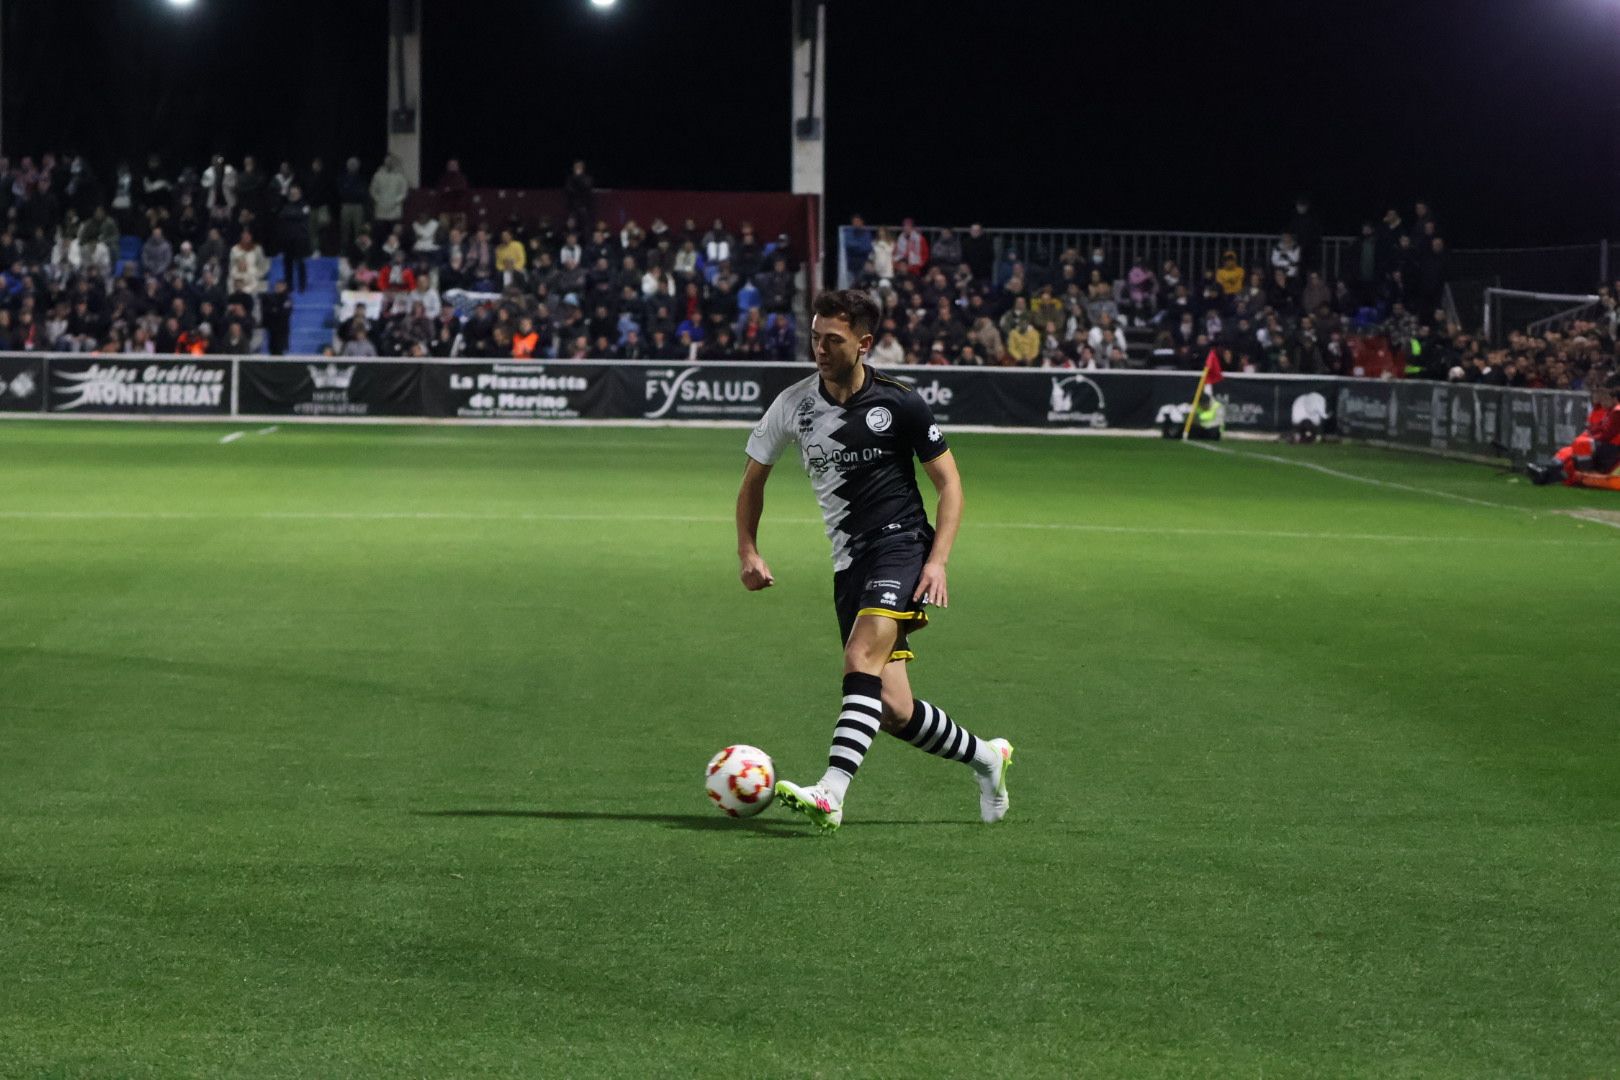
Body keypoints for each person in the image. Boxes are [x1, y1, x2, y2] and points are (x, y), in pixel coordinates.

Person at [735, 288, 1013, 832]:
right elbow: (751, 484)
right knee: (894, 711)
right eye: (814, 337)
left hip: (902, 544)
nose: (819, 349)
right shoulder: (792, 404)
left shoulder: (900, 402)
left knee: (861, 655)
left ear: (863, 343)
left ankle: (831, 793)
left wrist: (938, 561)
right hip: (849, 563)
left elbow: (950, 484)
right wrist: (748, 549)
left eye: (832, 340)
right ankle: (987, 758)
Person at [1527, 380, 1620, 485]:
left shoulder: (1615, 412)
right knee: (1568, 452)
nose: (1602, 400)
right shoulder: (1607, 411)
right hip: (1604, 444)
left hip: (1611, 446)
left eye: (1605, 398)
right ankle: (1546, 472)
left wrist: (1592, 436)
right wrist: (1590, 433)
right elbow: (1599, 428)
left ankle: (1584, 473)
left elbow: (1607, 434)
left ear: (1614, 399)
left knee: (1580, 444)